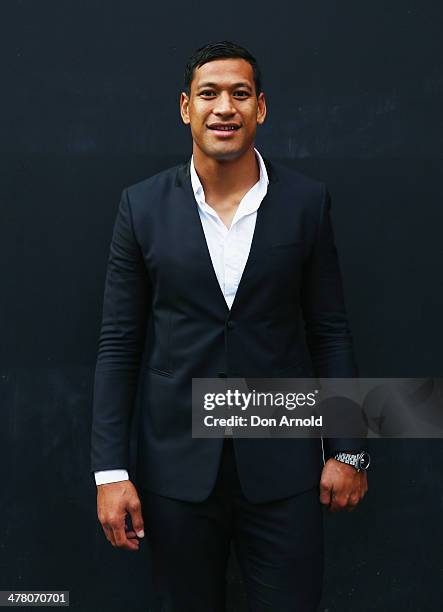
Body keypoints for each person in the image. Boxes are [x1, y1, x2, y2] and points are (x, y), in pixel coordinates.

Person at [91, 40, 370, 611]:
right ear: (185, 108)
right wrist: (109, 472)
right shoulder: (140, 207)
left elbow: (330, 331)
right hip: (175, 474)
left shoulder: (305, 203)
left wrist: (349, 449)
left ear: (260, 108)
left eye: (240, 94)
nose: (225, 107)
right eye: (209, 94)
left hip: (285, 465)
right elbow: (119, 344)